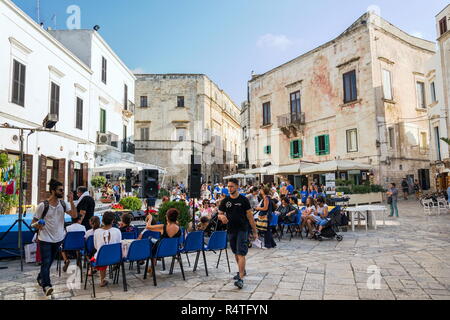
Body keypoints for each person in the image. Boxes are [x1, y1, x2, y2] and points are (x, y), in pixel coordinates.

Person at [32, 179, 78, 296]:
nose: (62, 192)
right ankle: (47, 286)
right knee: (46, 262)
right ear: (53, 191)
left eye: (63, 190)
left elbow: (74, 215)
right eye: (60, 190)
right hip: (45, 239)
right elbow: (33, 223)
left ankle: (40, 277)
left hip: (58, 238)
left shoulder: (63, 204)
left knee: (48, 263)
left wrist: (72, 202)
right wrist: (38, 225)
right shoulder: (43, 206)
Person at [218, 178, 258, 290]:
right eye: (228, 186)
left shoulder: (244, 200)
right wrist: (222, 217)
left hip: (242, 229)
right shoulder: (225, 201)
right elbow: (219, 214)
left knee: (240, 252)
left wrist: (255, 231)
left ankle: (240, 278)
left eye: (231, 186)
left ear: (237, 186)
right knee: (235, 252)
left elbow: (250, 217)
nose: (229, 188)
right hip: (231, 229)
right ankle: (242, 270)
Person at [144, 208, 181, 276]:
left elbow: (148, 227)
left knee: (151, 240)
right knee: (156, 242)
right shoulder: (179, 228)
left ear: (167, 217)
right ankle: (152, 266)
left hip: (160, 251)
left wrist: (150, 218)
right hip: (173, 250)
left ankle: (152, 265)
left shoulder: (163, 227)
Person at [92, 211, 122, 287]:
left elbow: (96, 246)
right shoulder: (117, 231)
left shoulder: (96, 232)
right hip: (116, 257)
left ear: (102, 221)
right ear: (112, 221)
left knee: (100, 253)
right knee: (105, 253)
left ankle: (102, 280)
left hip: (101, 258)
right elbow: (119, 244)